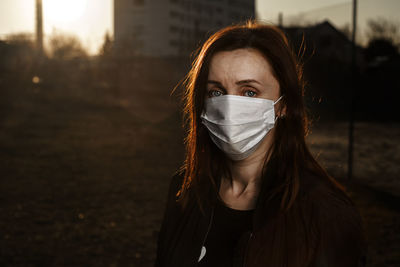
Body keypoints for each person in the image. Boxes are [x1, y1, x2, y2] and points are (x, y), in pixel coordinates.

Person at [155, 21, 367, 267]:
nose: (229, 108)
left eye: (249, 92)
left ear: (284, 105)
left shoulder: (327, 214)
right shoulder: (184, 190)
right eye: (215, 92)